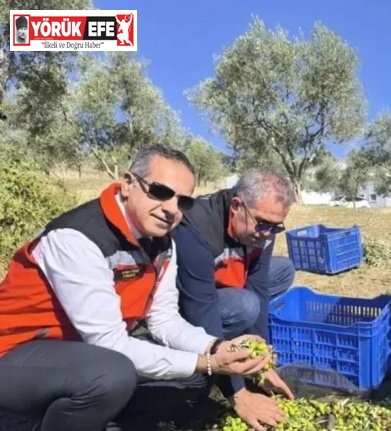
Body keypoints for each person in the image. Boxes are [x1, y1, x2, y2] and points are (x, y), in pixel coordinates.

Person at [0, 145, 272, 431]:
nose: (171, 209)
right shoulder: (78, 238)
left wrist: (216, 347)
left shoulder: (163, 243)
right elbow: (109, 343)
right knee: (110, 375)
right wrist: (208, 362)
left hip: (78, 353)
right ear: (128, 184)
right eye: (160, 191)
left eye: (183, 201)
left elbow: (164, 320)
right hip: (14, 352)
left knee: (193, 378)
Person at [171, 167, 297, 431]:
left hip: (223, 284)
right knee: (245, 305)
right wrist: (237, 392)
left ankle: (237, 335)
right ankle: (228, 342)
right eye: (262, 224)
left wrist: (261, 362)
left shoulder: (263, 230)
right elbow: (201, 309)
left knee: (283, 270)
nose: (267, 233)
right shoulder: (195, 228)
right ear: (237, 206)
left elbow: (260, 287)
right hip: (186, 301)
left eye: (276, 227)